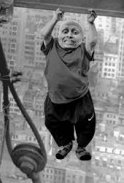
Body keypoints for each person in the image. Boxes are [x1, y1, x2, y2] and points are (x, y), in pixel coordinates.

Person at [38, 9, 98, 161]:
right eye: (65, 31)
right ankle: (65, 144)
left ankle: (82, 147)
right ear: (59, 36)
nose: (69, 35)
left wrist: (90, 24)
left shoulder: (83, 51)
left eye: (74, 32)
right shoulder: (51, 47)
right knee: (53, 121)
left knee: (86, 122)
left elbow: (92, 41)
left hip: (80, 98)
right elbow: (44, 34)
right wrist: (54, 19)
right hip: (56, 98)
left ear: (81, 38)